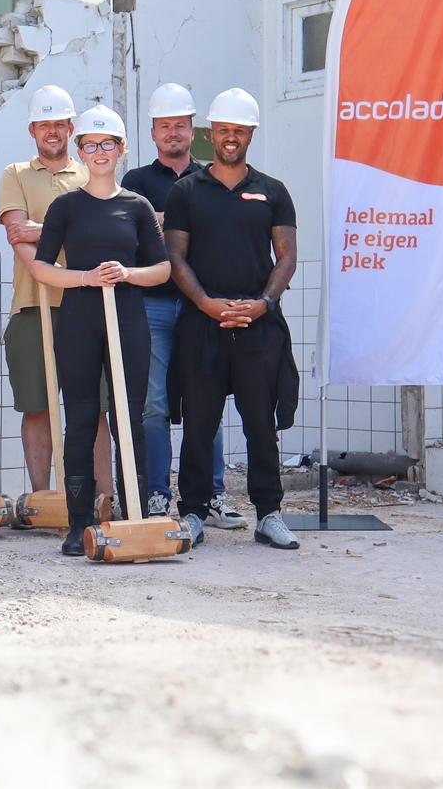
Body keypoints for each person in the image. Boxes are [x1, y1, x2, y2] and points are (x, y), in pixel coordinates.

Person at [28, 105, 170, 556]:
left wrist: (126, 274)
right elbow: (41, 267)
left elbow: (163, 269)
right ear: (80, 151)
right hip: (79, 321)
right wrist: (87, 278)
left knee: (133, 416)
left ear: (122, 149)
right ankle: (79, 523)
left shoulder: (137, 206)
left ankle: (136, 517)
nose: (100, 151)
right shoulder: (66, 206)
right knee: (83, 418)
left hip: (128, 317)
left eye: (108, 143)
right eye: (90, 144)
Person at [164, 88, 302, 551]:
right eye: (223, 129)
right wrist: (206, 303)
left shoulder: (274, 191)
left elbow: (286, 257)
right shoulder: (186, 191)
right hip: (204, 322)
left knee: (259, 422)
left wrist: (263, 303)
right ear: (210, 133)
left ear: (250, 135)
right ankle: (193, 513)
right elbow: (175, 258)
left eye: (239, 131)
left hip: (257, 323)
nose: (230, 137)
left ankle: (269, 514)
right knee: (200, 422)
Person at [121, 83, 241, 526]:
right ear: (153, 133)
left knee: (204, 402)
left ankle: (211, 496)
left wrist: (160, 219)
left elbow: (216, 231)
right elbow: (133, 226)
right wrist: (184, 220)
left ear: (195, 132)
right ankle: (157, 494)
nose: (173, 133)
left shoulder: (212, 177)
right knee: (154, 404)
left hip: (199, 307)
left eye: (181, 126)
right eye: (165, 126)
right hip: (150, 305)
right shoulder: (135, 181)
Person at [0, 86, 113, 504]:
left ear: (71, 128)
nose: (52, 131)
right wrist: (46, 264)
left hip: (87, 306)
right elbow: (17, 234)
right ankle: (42, 500)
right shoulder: (15, 174)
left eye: (59, 124)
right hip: (33, 303)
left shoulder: (91, 172)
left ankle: (104, 498)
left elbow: (102, 231)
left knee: (95, 408)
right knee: (38, 405)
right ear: (32, 129)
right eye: (44, 124)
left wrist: (46, 230)